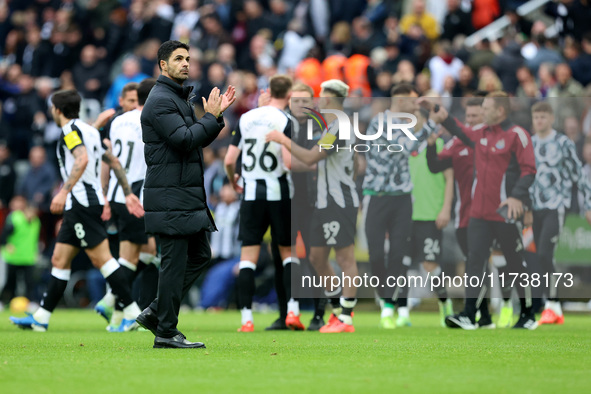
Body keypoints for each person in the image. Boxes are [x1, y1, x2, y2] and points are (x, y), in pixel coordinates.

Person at [10, 89, 144, 332]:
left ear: (57, 110)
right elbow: (112, 160)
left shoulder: (70, 131)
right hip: (82, 204)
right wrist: (127, 192)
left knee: (102, 259)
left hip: (82, 203)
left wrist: (63, 191)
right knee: (59, 259)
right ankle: (41, 317)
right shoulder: (90, 130)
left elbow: (81, 159)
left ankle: (133, 312)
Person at [135, 40, 236, 349]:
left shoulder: (177, 98)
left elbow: (193, 141)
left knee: (200, 255)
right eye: (178, 58)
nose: (186, 63)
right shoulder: (161, 100)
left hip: (182, 194)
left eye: (188, 58)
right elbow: (184, 139)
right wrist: (211, 117)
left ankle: (157, 312)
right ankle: (166, 331)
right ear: (162, 65)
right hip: (170, 195)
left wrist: (213, 118)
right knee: (174, 263)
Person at [426, 91, 538, 330]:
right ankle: (469, 314)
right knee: (474, 263)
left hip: (504, 211)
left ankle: (528, 314)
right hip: (478, 213)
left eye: (486, 108)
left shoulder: (518, 135)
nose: (482, 112)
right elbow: (459, 130)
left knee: (515, 263)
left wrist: (516, 197)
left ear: (500, 111)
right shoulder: (480, 134)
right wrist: (439, 113)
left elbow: (529, 170)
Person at [267, 79, 359, 334]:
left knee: (345, 258)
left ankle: (346, 318)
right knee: (317, 258)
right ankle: (337, 311)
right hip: (323, 201)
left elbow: (310, 157)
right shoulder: (333, 125)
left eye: (321, 95)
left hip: (339, 201)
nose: (318, 99)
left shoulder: (339, 126)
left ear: (330, 99)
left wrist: (282, 140)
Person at [224, 75, 300, 332]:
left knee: (248, 257)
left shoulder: (246, 118)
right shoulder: (286, 120)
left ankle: (246, 318)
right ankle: (292, 312)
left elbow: (228, 159)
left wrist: (234, 180)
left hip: (252, 193)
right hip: (280, 193)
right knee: (287, 254)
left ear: (268, 92)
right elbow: (289, 163)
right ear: (289, 95)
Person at [361, 83, 438, 329]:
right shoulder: (379, 122)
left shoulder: (408, 125)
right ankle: (387, 301)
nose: (416, 105)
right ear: (400, 100)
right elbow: (408, 148)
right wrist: (430, 125)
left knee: (399, 255)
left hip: (402, 198)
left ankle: (399, 307)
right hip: (377, 195)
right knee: (375, 254)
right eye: (412, 101)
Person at [94, 78, 160, 332]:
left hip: (118, 194)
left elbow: (108, 158)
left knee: (144, 252)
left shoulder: (117, 121)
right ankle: (113, 302)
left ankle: (114, 316)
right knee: (131, 256)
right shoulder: (150, 121)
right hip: (136, 195)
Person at [425, 97, 496, 329]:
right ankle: (484, 318)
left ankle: (470, 314)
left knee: (476, 264)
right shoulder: (456, 143)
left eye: (477, 116)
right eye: (469, 117)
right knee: (476, 265)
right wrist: (430, 146)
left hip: (486, 216)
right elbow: (435, 166)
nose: (472, 120)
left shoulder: (489, 141)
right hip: (463, 215)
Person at [526, 102, 591, 325]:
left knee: (546, 253)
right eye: (536, 117)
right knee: (540, 256)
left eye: (543, 117)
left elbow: (578, 176)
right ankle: (553, 308)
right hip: (536, 208)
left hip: (557, 206)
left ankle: (552, 304)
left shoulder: (563, 143)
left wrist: (589, 205)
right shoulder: (530, 144)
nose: (539, 121)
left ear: (551, 118)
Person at [0, 195, 40, 306]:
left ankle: (30, 303)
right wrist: (6, 245)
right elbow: (3, 236)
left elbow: (34, 239)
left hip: (28, 257)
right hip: (13, 256)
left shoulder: (36, 222)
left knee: (30, 282)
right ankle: (3, 302)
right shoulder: (15, 218)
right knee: (10, 282)